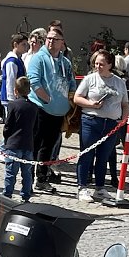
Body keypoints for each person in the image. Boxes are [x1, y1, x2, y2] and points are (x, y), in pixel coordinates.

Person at [73, 48, 129, 202]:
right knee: (86, 154)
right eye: (96, 63)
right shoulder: (90, 79)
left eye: (102, 64)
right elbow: (77, 98)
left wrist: (122, 121)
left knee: (104, 156)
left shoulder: (119, 82)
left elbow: (125, 104)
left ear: (110, 64)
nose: (98, 67)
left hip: (111, 124)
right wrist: (91, 104)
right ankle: (82, 187)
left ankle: (100, 188)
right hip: (91, 121)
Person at [27, 26, 74, 192]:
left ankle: (41, 178)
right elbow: (33, 81)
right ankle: (29, 178)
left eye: (55, 39)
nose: (51, 42)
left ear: (62, 43)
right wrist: (47, 98)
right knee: (35, 144)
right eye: (49, 38)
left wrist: (70, 102)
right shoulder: (38, 58)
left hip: (58, 112)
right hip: (40, 108)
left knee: (49, 146)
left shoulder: (65, 62)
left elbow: (71, 82)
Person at [1, 76, 37, 202]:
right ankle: (26, 195)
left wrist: (6, 139)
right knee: (27, 173)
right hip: (28, 144)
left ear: (15, 90)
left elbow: (8, 125)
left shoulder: (13, 105)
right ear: (29, 91)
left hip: (13, 143)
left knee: (11, 172)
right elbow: (35, 127)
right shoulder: (34, 107)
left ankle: (7, 194)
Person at [0, 33, 27, 121]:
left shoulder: (18, 60)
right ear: (15, 45)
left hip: (17, 97)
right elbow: (10, 80)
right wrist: (11, 99)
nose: (26, 47)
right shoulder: (12, 61)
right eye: (23, 44)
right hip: (11, 98)